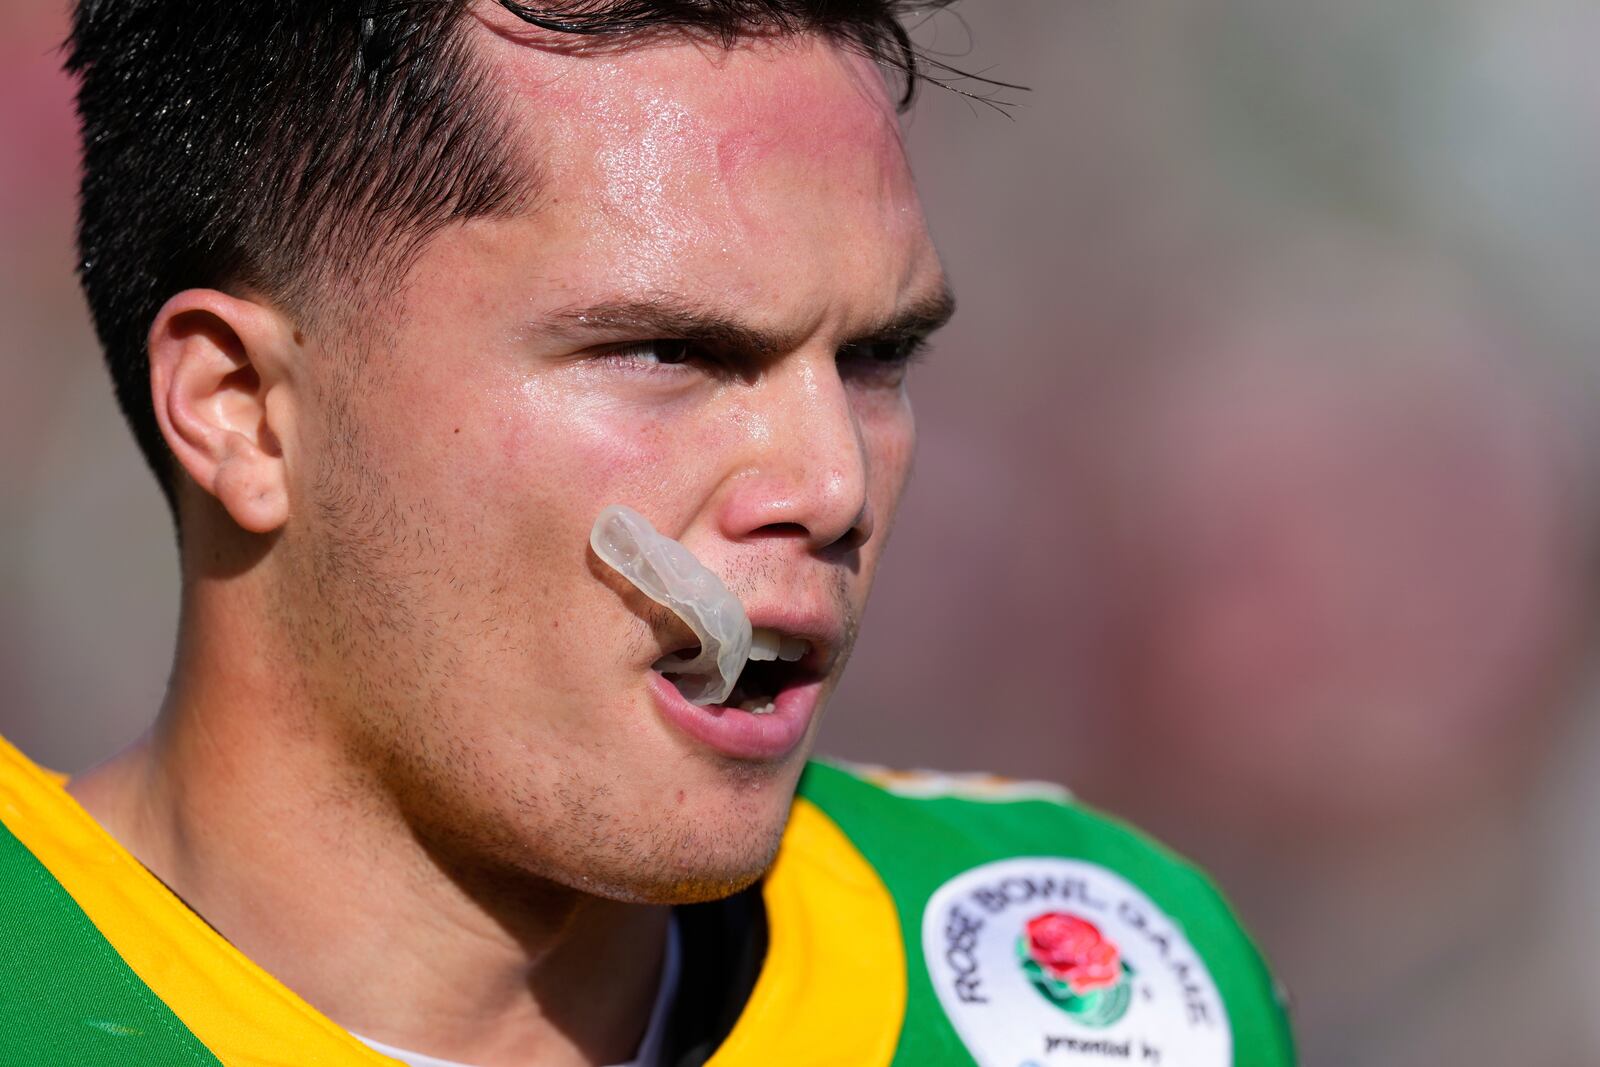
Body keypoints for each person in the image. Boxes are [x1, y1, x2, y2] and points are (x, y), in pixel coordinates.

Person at [0, 2, 1295, 1064]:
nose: (831, 481)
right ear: (243, 412)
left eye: (876, 357)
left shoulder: (1097, 992)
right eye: (665, 350)